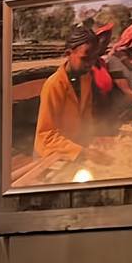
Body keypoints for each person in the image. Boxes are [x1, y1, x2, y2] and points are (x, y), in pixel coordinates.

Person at [34, 25, 100, 161]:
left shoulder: (86, 78)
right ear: (68, 54)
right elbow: (46, 135)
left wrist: (91, 139)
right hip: (51, 155)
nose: (90, 64)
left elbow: (87, 116)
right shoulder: (54, 85)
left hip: (75, 149)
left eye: (94, 58)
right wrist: (82, 152)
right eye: (85, 58)